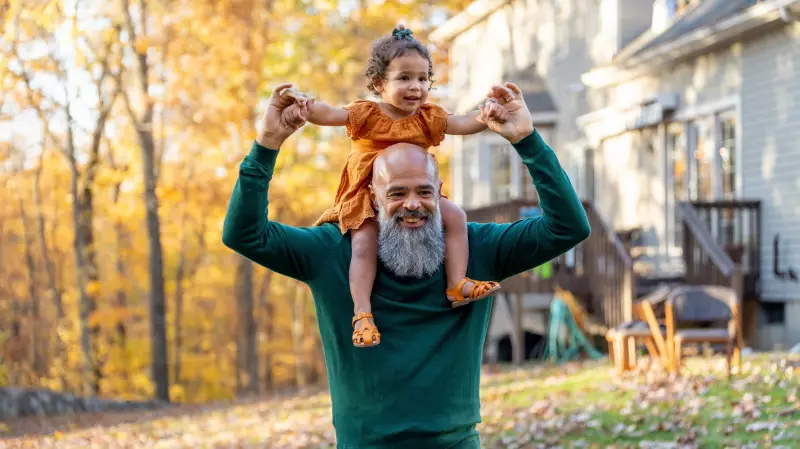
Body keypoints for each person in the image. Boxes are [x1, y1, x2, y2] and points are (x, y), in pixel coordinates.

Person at [222, 80, 591, 449]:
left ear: (440, 190)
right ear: (372, 195)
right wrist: (267, 144)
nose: (412, 204)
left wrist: (527, 141)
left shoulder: (477, 248)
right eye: (396, 193)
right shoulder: (332, 251)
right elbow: (245, 235)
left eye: (424, 192)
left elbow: (567, 227)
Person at [280, 25, 510, 347]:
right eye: (404, 78)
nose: (415, 87)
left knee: (456, 216)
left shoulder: (427, 117)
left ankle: (456, 282)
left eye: (422, 78)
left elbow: (462, 122)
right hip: (369, 193)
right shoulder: (366, 113)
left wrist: (488, 114)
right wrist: (304, 105)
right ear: (379, 83)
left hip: (416, 194)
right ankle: (362, 313)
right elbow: (330, 114)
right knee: (363, 243)